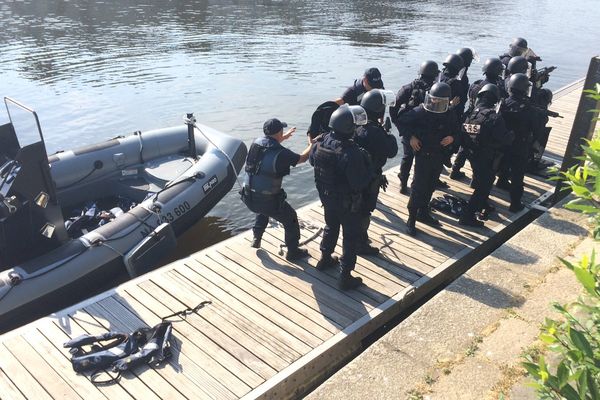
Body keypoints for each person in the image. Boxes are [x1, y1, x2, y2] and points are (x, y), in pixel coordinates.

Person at [309, 104, 371, 290]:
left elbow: (313, 161)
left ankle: (325, 258)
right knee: (350, 236)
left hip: (327, 198)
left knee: (331, 226)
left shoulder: (320, 142)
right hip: (346, 203)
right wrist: (367, 163)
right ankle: (345, 275)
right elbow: (359, 182)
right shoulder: (350, 153)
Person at [241, 118, 313, 261]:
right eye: (282, 131)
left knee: (263, 208)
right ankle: (293, 252)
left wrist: (282, 138)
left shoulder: (256, 143)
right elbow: (303, 158)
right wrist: (311, 144)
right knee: (291, 217)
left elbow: (269, 148)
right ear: (279, 132)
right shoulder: (282, 153)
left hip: (247, 196)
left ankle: (256, 237)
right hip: (266, 202)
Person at [398, 82, 459, 236]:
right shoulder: (420, 112)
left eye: (440, 101)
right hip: (423, 155)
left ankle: (423, 212)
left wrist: (452, 137)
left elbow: (459, 131)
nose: (435, 103)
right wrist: (410, 137)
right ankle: (411, 219)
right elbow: (401, 122)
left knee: (431, 185)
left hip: (439, 155)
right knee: (418, 187)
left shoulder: (449, 114)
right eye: (434, 100)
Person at [458, 84, 513, 227]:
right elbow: (504, 138)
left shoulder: (471, 114)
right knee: (484, 185)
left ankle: (483, 204)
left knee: (481, 179)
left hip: (472, 153)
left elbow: (463, 133)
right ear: (495, 100)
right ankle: (467, 216)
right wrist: (512, 135)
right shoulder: (493, 117)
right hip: (485, 156)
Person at [355, 89, 399, 253]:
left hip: (355, 176)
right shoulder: (376, 132)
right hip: (369, 177)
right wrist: (388, 133)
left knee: (356, 209)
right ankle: (360, 244)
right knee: (365, 210)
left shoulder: (355, 124)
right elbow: (392, 151)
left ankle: (358, 237)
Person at [450, 57, 506, 180]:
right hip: (485, 120)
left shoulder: (476, 84)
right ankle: (477, 178)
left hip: (469, 116)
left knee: (464, 145)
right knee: (481, 147)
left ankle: (455, 169)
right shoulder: (495, 88)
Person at [390, 60, 440, 194]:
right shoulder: (436, 91)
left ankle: (403, 183)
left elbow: (393, 112)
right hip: (425, 133)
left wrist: (408, 134)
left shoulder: (407, 88)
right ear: (435, 75)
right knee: (421, 162)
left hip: (409, 131)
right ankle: (416, 188)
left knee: (407, 157)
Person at [498, 73, 545, 212]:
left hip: (503, 143)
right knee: (518, 176)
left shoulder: (503, 104)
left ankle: (501, 181)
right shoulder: (528, 109)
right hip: (520, 145)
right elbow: (537, 130)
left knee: (502, 165)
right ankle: (515, 204)